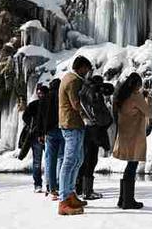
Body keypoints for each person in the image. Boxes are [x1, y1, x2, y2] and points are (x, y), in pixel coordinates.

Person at [57, 56, 93, 216]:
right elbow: (76, 104)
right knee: (70, 161)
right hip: (71, 125)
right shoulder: (73, 81)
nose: (88, 72)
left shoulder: (69, 78)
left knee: (78, 159)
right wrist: (91, 117)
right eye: (87, 69)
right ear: (81, 68)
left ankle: (70, 193)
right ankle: (63, 200)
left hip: (74, 125)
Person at [112, 72, 151, 210]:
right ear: (137, 85)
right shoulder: (136, 96)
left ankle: (123, 199)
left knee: (129, 166)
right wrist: (147, 98)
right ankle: (128, 201)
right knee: (132, 166)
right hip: (134, 135)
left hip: (124, 135)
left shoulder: (121, 96)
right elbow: (148, 112)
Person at [76, 75, 114, 200]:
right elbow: (98, 111)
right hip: (94, 128)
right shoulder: (93, 93)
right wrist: (107, 120)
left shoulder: (83, 90)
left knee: (86, 159)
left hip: (87, 128)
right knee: (91, 160)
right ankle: (87, 191)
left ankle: (80, 188)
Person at [22, 83, 48, 193]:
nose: (40, 95)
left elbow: (25, 116)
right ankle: (38, 184)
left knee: (48, 161)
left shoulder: (48, 105)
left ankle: (47, 183)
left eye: (42, 93)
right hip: (37, 136)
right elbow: (25, 116)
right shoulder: (34, 105)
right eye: (39, 93)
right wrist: (32, 125)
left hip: (46, 135)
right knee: (38, 162)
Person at [43, 78, 64, 201]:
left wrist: (42, 132)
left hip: (49, 132)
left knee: (50, 160)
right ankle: (62, 186)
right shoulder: (61, 96)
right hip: (61, 129)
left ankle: (52, 188)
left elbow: (41, 116)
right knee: (62, 158)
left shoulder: (45, 98)